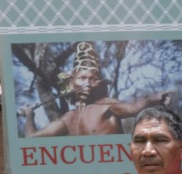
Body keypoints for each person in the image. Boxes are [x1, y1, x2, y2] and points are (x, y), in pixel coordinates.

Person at [26, 41, 173, 137]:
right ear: (71, 82)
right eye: (82, 78)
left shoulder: (106, 105)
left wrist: (155, 98)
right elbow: (31, 138)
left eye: (93, 79)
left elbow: (133, 108)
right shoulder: (67, 119)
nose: (88, 83)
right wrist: (29, 115)